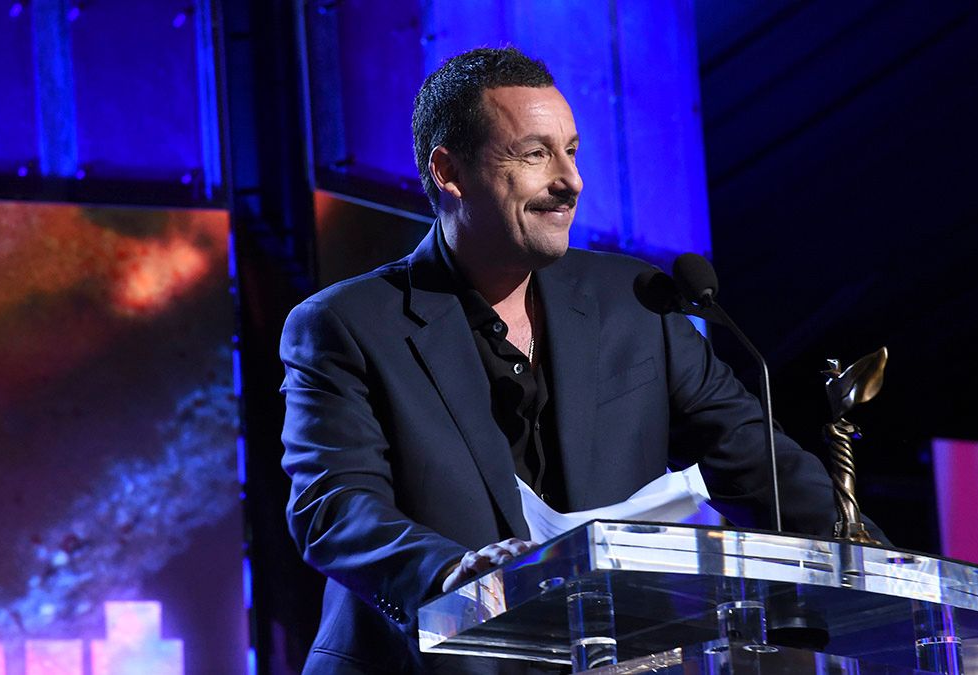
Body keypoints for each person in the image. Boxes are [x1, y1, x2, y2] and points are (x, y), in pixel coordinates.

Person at [279, 46, 881, 674]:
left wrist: (886, 573)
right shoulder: (344, 325)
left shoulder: (635, 303)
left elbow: (762, 467)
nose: (570, 180)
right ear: (449, 172)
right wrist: (452, 573)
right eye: (535, 154)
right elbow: (336, 506)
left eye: (571, 150)